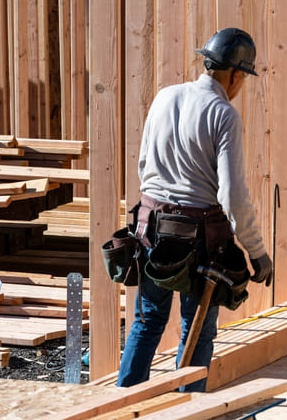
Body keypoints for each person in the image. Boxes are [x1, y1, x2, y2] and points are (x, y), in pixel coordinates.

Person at [117, 27, 273, 392]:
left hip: (152, 227)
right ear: (235, 75)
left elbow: (144, 165)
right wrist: (257, 251)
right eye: (243, 79)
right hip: (199, 237)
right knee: (198, 329)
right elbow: (232, 195)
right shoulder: (223, 114)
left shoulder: (164, 97)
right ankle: (187, 412)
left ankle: (123, 410)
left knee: (147, 321)